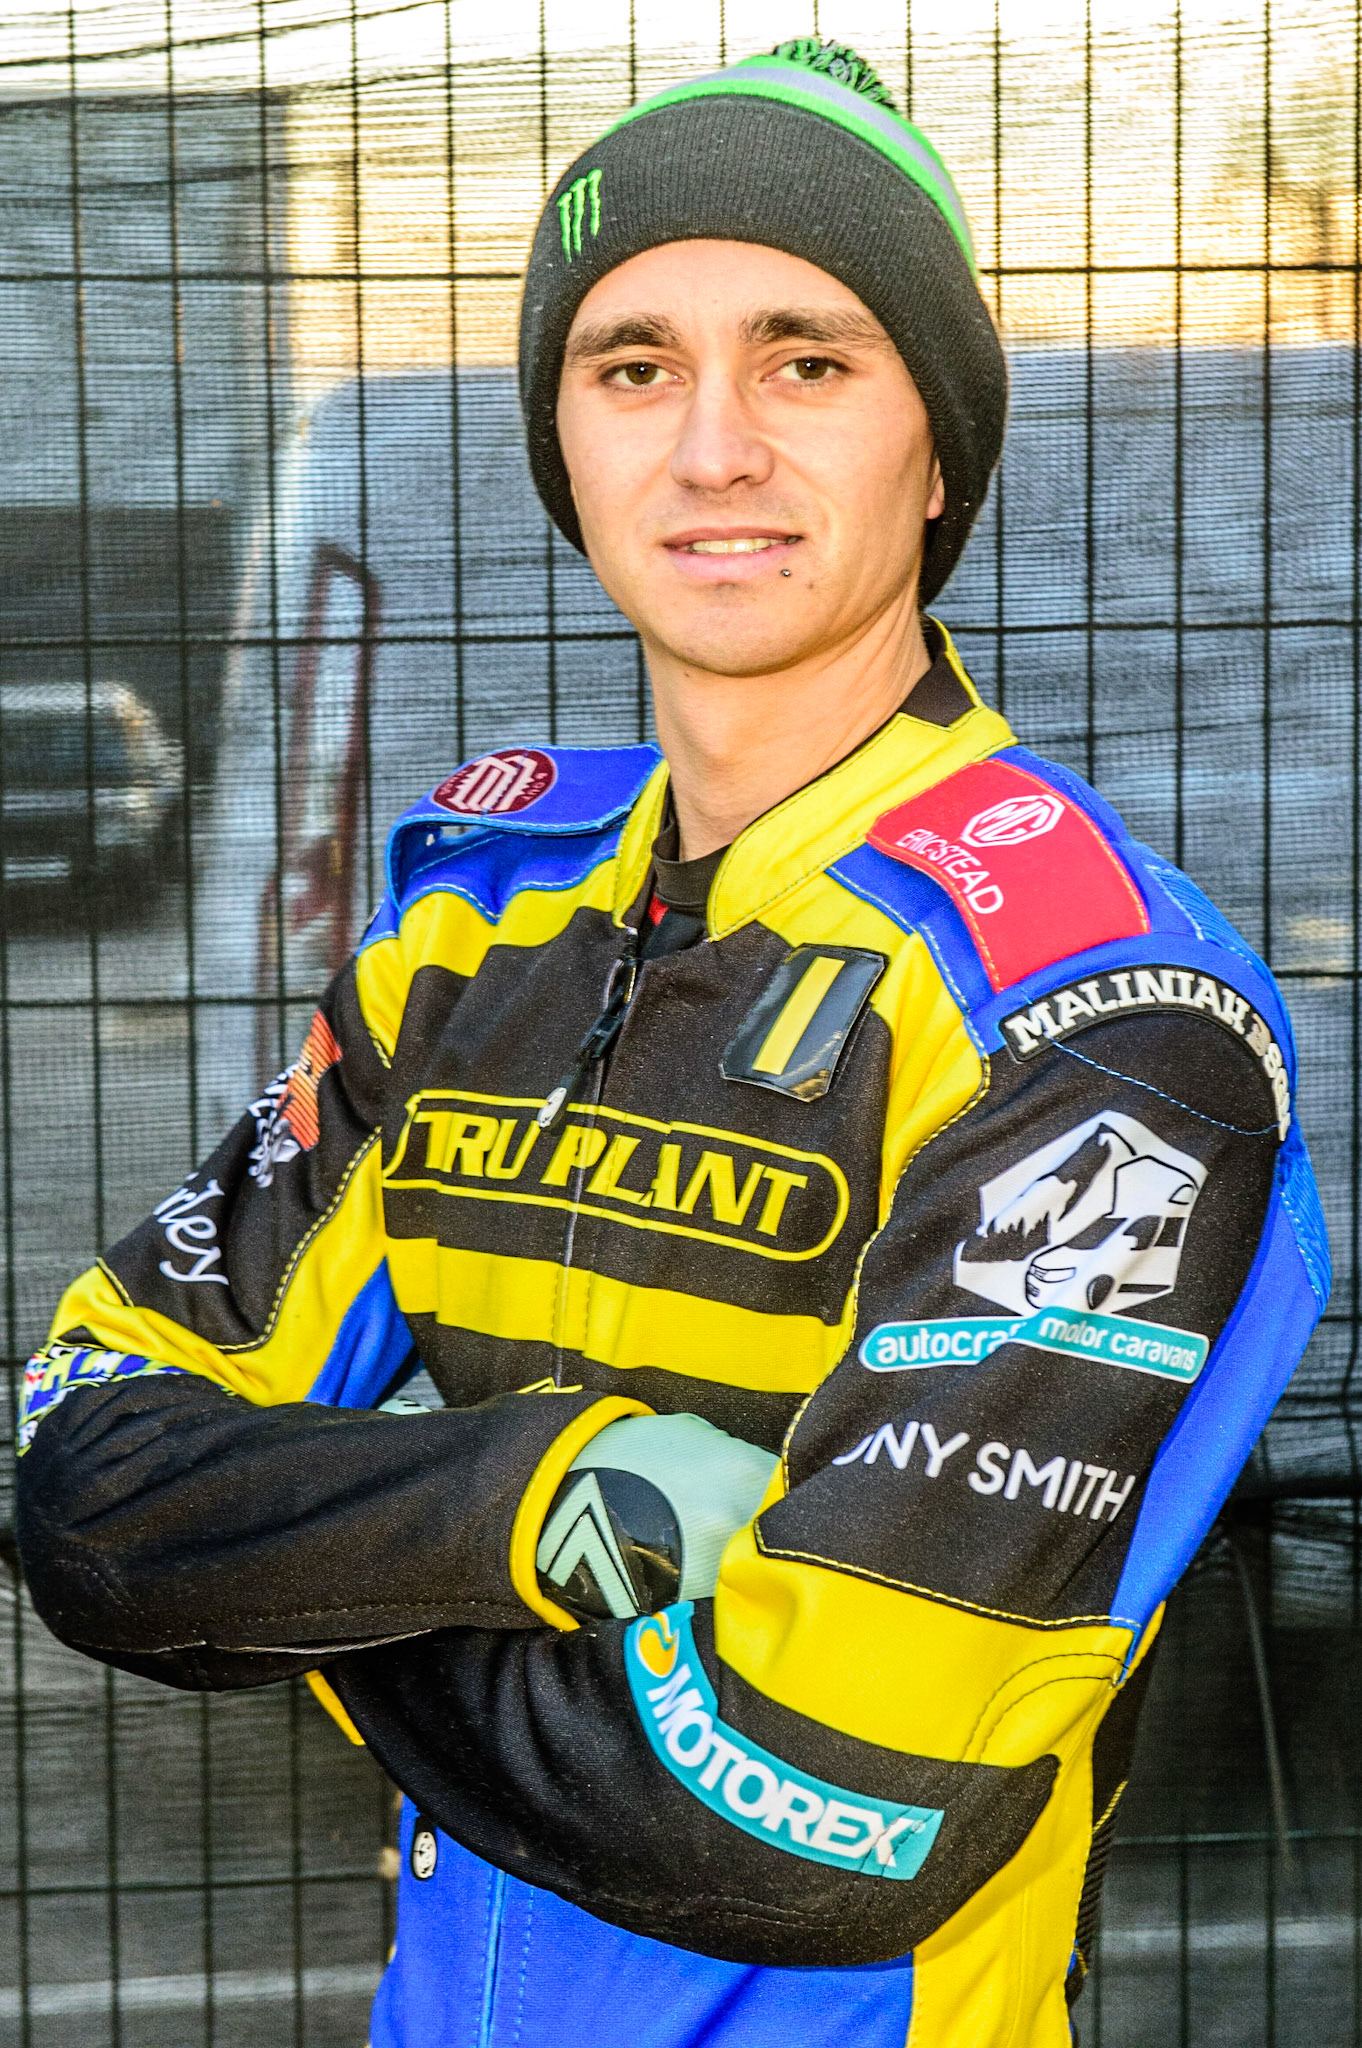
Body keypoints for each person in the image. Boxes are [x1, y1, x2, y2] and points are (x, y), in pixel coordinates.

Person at [16, 35, 1329, 2048]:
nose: (713, 445)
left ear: (938, 445)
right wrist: (535, 1500)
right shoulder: (464, 930)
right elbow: (85, 1469)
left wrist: (308, 1570)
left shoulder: (1098, 1018)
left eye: (809, 358)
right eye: (633, 365)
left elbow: (822, 1803)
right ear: (567, 441)